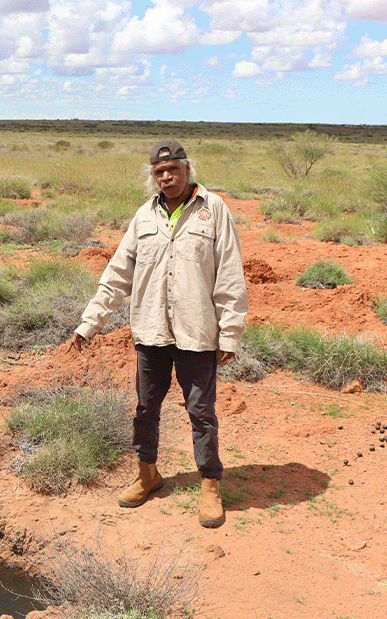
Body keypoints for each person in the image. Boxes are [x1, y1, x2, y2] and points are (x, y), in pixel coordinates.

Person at [65, 139, 248, 528]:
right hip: (151, 331)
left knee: (201, 413)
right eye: (159, 172)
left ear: (187, 170)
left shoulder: (213, 210)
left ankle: (211, 485)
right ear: (154, 177)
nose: (167, 177)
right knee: (146, 408)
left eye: (174, 170)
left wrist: (229, 333)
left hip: (197, 334)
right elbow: (117, 275)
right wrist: (88, 324)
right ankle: (147, 474)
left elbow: (230, 274)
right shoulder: (144, 217)